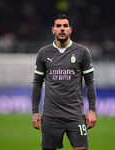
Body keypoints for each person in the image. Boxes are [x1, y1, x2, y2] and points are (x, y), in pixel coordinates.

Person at [32, 14, 96, 150]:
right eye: (58, 26)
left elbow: (90, 82)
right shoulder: (44, 53)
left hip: (75, 115)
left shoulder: (82, 52)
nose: (62, 29)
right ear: (53, 30)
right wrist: (35, 111)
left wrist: (92, 110)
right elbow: (37, 83)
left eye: (65, 26)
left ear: (70, 30)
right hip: (51, 117)